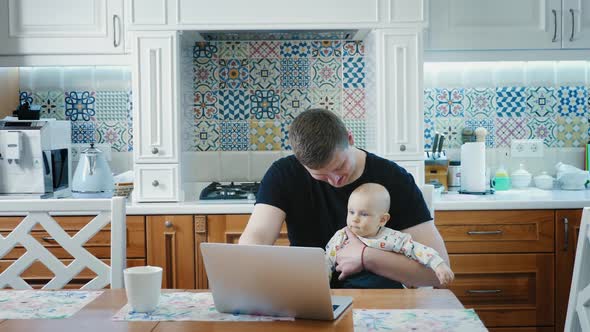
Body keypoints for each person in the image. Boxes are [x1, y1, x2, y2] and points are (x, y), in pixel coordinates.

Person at [239, 108, 450, 288]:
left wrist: (366, 257)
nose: (335, 180)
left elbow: (438, 274)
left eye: (340, 166)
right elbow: (256, 237)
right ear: (300, 162)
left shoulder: (394, 179)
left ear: (350, 139)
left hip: (379, 299)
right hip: (311, 295)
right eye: (320, 174)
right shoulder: (283, 174)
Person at [325, 183, 454, 287]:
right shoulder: (341, 236)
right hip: (351, 291)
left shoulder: (392, 238)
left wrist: (438, 265)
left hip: (387, 292)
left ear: (382, 220)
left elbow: (418, 250)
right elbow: (327, 262)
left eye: (364, 214)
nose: (355, 219)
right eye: (351, 212)